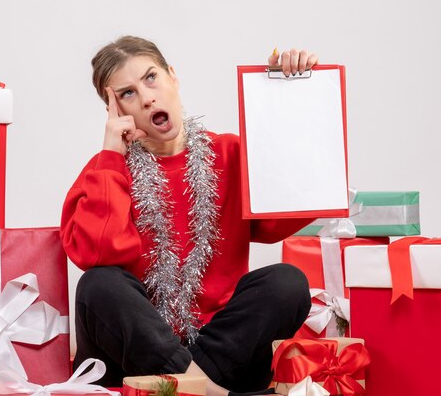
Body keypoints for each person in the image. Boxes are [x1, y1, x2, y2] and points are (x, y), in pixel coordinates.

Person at [60, 36, 317, 396]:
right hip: (132, 362)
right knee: (99, 285)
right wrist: (112, 154)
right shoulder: (104, 172)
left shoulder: (229, 152)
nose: (147, 97)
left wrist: (289, 96)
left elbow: (288, 210)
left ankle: (192, 386)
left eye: (151, 78)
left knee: (287, 282)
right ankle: (208, 391)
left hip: (225, 356)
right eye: (128, 93)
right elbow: (102, 252)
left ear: (173, 77)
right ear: (113, 111)